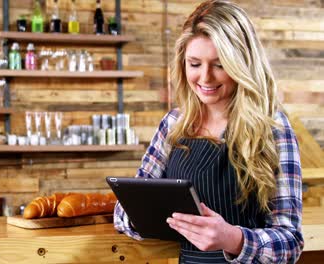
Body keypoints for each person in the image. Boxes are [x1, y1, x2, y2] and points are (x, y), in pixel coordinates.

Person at [113, 0, 304, 263]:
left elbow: (290, 243)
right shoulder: (173, 124)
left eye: (219, 64)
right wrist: (139, 217)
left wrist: (233, 238)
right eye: (194, 64)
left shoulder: (274, 129)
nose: (205, 78)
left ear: (242, 64)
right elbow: (125, 210)